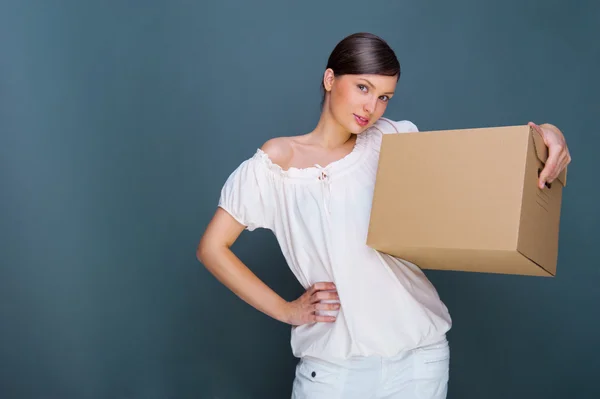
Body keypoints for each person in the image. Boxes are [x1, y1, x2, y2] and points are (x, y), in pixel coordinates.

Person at [196, 32, 571, 399]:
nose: (371, 108)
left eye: (383, 97)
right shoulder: (278, 163)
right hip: (332, 370)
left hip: (418, 363)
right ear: (330, 79)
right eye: (362, 88)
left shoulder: (392, 141)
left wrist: (550, 134)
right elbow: (212, 248)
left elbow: (476, 166)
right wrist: (285, 310)